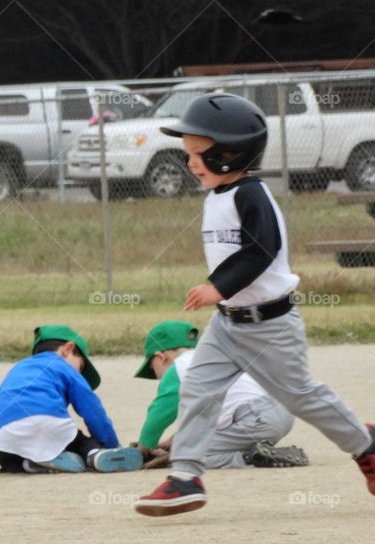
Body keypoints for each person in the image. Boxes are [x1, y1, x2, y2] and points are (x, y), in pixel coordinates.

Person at [134, 93, 375, 517]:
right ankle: (186, 478)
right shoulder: (216, 196)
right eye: (188, 153)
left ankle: (366, 448)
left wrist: (217, 287)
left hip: (270, 325)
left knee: (301, 396)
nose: (190, 163)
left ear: (230, 154)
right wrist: (221, 299)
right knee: (199, 390)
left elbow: (261, 249)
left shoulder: (252, 195)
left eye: (198, 154)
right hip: (228, 324)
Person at [134, 320, 308, 469]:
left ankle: (250, 459)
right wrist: (173, 441)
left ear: (161, 357)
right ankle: (258, 452)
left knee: (188, 455)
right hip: (282, 412)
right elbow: (200, 416)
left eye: (152, 368)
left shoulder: (178, 367)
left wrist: (144, 447)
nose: (156, 376)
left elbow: (161, 411)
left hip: (257, 418)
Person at [0, 325, 143, 474]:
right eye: (81, 367)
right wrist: (111, 445)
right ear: (68, 349)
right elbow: (93, 411)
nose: (79, 373)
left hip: (5, 433)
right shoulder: (64, 366)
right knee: (81, 442)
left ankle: (27, 464)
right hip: (47, 421)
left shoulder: (18, 369)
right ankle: (94, 455)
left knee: (9, 459)